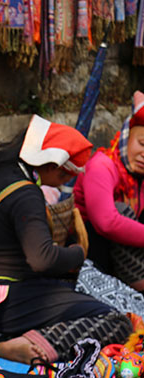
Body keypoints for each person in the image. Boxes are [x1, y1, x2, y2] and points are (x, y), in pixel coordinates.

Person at [0, 115, 132, 364]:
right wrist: (78, 253)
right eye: (63, 178)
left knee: (73, 293)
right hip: (2, 301)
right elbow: (42, 259)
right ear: (51, 166)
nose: (61, 185)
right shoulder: (25, 193)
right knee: (116, 322)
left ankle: (28, 334)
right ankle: (32, 343)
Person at [74, 91, 144, 291]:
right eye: (142, 144)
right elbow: (106, 223)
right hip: (90, 250)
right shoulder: (102, 166)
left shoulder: (140, 176)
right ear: (126, 137)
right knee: (121, 210)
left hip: (124, 255)